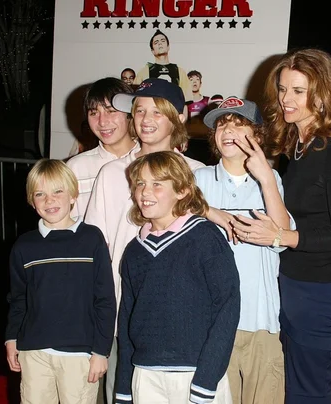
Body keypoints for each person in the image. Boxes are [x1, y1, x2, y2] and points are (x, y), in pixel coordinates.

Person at [229, 48, 331, 404]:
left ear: (321, 96)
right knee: (294, 389)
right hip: (293, 285)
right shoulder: (298, 148)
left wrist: (281, 237)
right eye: (283, 89)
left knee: (312, 392)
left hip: (321, 291)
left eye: (298, 91)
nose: (286, 99)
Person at [85, 78, 205, 404]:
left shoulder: (198, 175)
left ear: (178, 116)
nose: (146, 119)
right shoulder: (112, 174)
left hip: (178, 317)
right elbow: (95, 247)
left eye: (157, 111)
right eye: (139, 111)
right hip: (120, 310)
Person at [114, 151, 239, 404]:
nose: (145, 192)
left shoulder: (205, 238)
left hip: (196, 373)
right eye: (140, 184)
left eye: (157, 184)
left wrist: (206, 380)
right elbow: (127, 319)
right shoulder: (135, 251)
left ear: (182, 190)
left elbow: (227, 309)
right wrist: (124, 388)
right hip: (146, 374)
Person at [195, 96, 291, 404]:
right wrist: (214, 212)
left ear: (257, 135)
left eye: (239, 124)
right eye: (222, 124)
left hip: (260, 320)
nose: (228, 131)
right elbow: (175, 209)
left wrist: (265, 177)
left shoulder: (272, 180)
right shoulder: (199, 180)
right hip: (210, 321)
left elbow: (284, 237)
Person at [5, 159, 116, 404]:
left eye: (57, 191)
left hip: (79, 354)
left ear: (73, 195)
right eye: (40, 194)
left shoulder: (91, 238)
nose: (49, 200)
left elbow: (105, 299)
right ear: (31, 201)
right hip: (34, 352)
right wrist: (11, 338)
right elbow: (18, 299)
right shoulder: (24, 246)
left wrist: (100, 350)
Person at [66, 77, 139, 218]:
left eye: (111, 111)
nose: (102, 122)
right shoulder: (76, 168)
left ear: (130, 113)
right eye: (94, 113)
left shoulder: (151, 159)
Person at [134, 30, 192, 101]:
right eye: (156, 42)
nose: (160, 44)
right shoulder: (143, 72)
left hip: (174, 111)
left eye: (163, 41)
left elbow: (186, 101)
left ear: (168, 47)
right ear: (152, 50)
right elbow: (137, 99)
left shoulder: (180, 71)